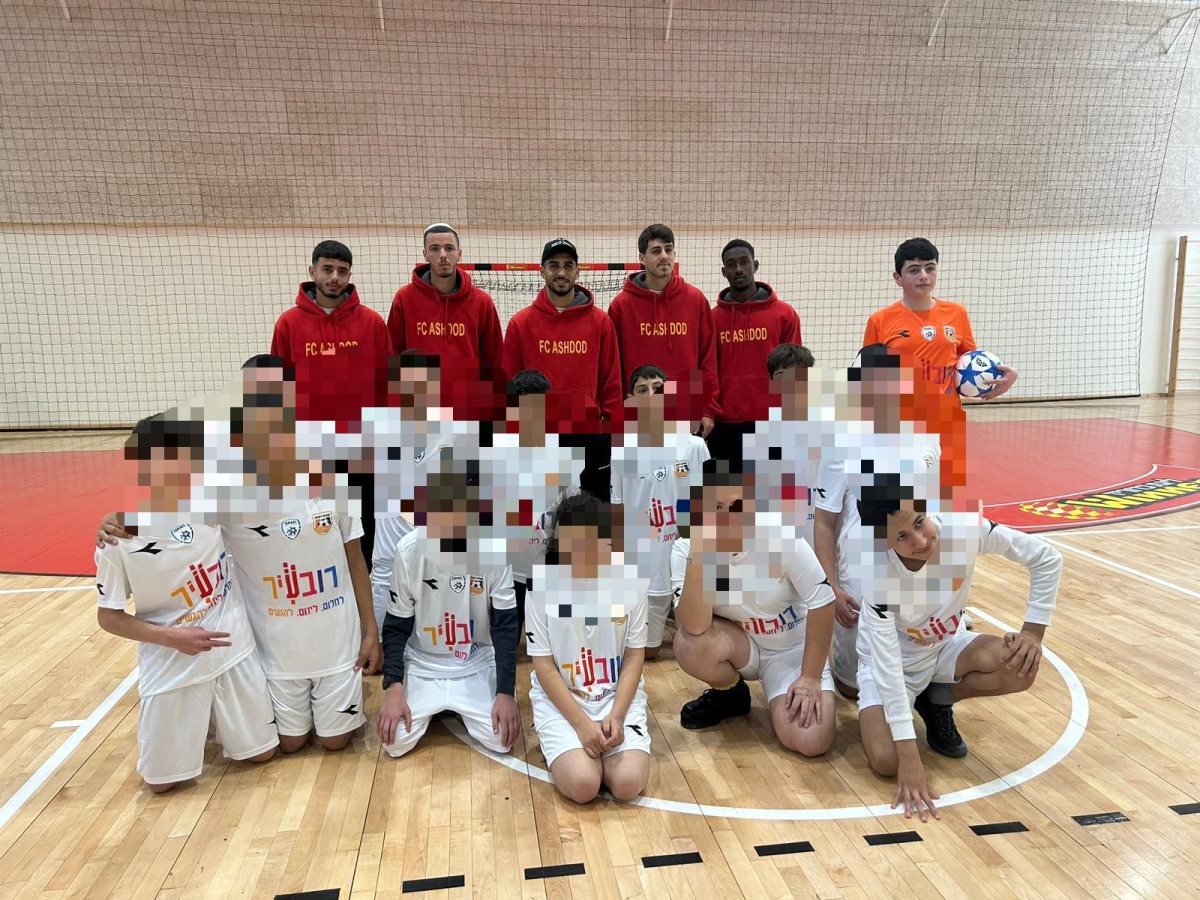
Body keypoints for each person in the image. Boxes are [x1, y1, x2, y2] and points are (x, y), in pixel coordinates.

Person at [853, 480, 1062, 822]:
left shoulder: (964, 527)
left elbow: (1046, 558)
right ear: (882, 541)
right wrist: (910, 758)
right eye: (902, 536)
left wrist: (1033, 632)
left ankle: (938, 699)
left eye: (919, 522)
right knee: (887, 761)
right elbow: (888, 667)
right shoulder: (877, 575)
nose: (920, 541)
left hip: (946, 646)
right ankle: (923, 700)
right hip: (893, 666)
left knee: (1019, 667)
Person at [95, 413, 277, 792]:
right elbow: (109, 617)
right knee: (161, 784)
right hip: (172, 658)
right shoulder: (120, 538)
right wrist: (171, 638)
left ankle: (211, 716)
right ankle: (200, 717)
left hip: (232, 649)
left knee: (262, 754)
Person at [671, 459, 837, 756]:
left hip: (792, 650)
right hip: (743, 646)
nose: (727, 517)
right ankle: (731, 695)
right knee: (688, 644)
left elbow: (823, 602)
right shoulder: (686, 547)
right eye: (716, 507)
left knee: (811, 740)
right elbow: (694, 625)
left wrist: (810, 677)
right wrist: (701, 552)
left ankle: (808, 682)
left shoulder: (779, 534)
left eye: (736, 505)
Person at [376, 467, 520, 757]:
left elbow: (505, 627)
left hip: (474, 660)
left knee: (502, 740)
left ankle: (449, 706)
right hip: (423, 662)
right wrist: (394, 687)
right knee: (394, 743)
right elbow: (396, 626)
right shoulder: (408, 550)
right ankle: (437, 704)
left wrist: (505, 692)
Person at [271, 241, 392, 565]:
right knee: (318, 531)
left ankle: (363, 589)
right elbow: (279, 388)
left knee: (364, 533)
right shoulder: (288, 324)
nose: (334, 277)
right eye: (327, 269)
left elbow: (388, 386)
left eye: (342, 271)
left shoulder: (372, 323)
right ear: (312, 271)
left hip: (363, 450)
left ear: (350, 274)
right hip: (311, 451)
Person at [526, 493, 651, 803]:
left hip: (614, 698)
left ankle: (607, 748)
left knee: (627, 785)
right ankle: (560, 742)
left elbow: (634, 657)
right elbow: (544, 666)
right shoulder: (541, 586)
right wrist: (581, 725)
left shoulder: (631, 582)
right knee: (583, 785)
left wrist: (617, 716)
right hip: (565, 701)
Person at [610, 365, 709, 660]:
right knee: (649, 652)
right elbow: (617, 509)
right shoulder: (622, 450)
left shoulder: (694, 446)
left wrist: (694, 544)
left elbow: (708, 503)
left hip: (686, 560)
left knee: (697, 644)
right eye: (643, 390)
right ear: (631, 400)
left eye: (658, 388)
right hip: (645, 564)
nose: (652, 395)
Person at [864, 238, 1017, 399]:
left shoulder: (957, 313)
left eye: (930, 268)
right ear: (898, 278)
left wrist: (1003, 375)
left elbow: (968, 363)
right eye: (914, 270)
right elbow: (867, 377)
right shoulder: (879, 321)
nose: (924, 276)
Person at [607, 224, 720, 437]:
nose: (664, 256)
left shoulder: (695, 300)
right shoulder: (621, 306)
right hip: (641, 416)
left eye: (669, 249)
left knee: (686, 461)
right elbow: (613, 367)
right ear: (642, 258)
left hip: (687, 412)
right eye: (656, 251)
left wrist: (708, 407)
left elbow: (708, 359)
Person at [386, 223, 504, 419]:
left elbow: (494, 358)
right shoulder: (404, 298)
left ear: (459, 254)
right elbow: (393, 355)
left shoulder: (482, 302)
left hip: (468, 407)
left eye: (449, 248)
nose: (442, 255)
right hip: (419, 408)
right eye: (435, 249)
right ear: (425, 254)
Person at [502, 239, 622, 428]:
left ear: (577, 271)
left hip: (586, 429)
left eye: (568, 266)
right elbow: (509, 385)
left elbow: (611, 385)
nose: (561, 273)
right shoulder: (520, 324)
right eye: (554, 266)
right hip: (537, 430)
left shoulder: (601, 322)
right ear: (542, 271)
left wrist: (613, 429)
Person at [708, 240, 802, 463]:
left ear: (755, 265)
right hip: (725, 424)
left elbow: (795, 371)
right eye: (731, 264)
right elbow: (708, 370)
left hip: (772, 422)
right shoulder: (712, 319)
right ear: (724, 272)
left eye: (744, 262)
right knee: (725, 486)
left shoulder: (784, 314)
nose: (738, 269)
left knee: (770, 485)